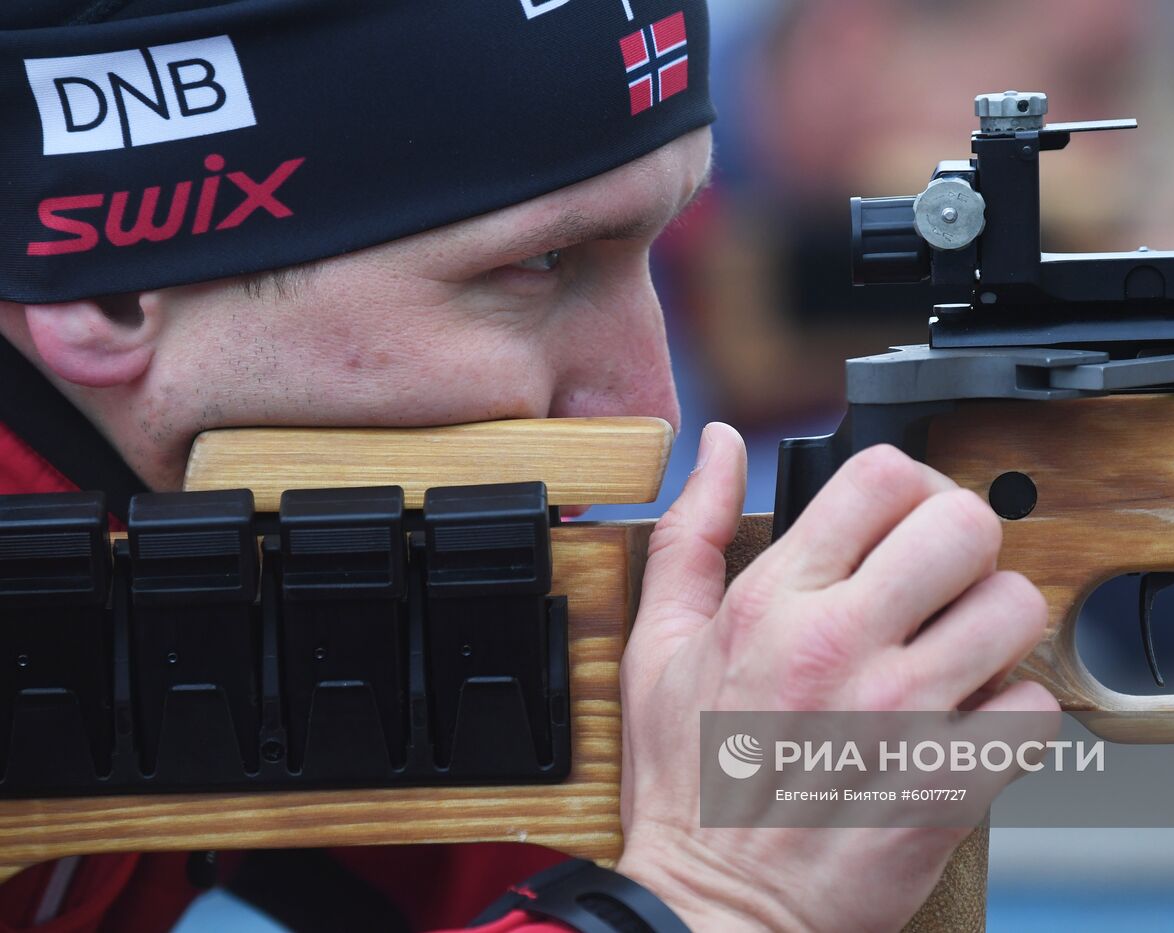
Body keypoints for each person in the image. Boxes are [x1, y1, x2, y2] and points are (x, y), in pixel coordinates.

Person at [0, 1, 1058, 930]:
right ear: (111, 291)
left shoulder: (260, 571)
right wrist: (714, 902)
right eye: (537, 266)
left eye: (651, 247)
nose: (649, 407)